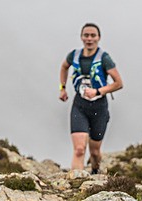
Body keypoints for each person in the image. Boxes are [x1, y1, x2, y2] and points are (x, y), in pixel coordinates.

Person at [58, 23, 123, 173]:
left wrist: (98, 91)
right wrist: (62, 88)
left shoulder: (104, 58)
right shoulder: (74, 55)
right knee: (79, 149)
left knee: (94, 152)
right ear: (81, 37)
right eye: (86, 35)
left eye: (93, 35)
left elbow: (119, 83)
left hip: (99, 108)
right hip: (80, 106)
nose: (89, 39)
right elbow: (64, 67)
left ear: (99, 38)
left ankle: (95, 169)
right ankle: (76, 181)